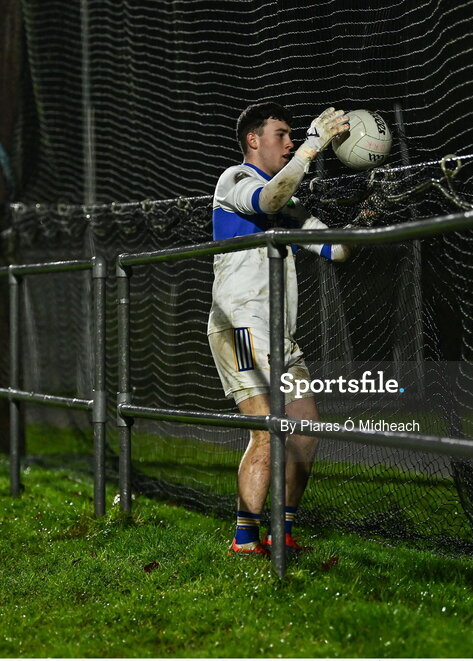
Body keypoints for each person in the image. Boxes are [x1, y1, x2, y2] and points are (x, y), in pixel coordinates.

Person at [208, 102, 351, 556]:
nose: (289, 142)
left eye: (293, 136)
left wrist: (367, 218)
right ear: (253, 139)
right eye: (281, 134)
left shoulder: (285, 203)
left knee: (305, 430)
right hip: (241, 329)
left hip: (280, 337)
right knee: (268, 433)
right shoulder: (235, 180)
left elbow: (336, 250)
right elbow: (267, 199)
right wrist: (312, 147)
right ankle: (245, 541)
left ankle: (281, 533)